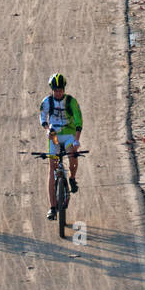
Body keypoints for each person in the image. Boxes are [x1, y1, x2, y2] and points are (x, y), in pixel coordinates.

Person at [40, 72, 83, 221]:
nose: (58, 92)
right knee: (52, 168)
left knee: (72, 153)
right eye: (56, 90)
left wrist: (77, 140)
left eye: (61, 90)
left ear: (64, 89)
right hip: (55, 136)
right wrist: (47, 130)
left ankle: (72, 178)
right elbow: (42, 118)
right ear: (52, 89)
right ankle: (52, 207)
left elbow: (78, 121)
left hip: (70, 134)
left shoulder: (71, 101)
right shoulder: (47, 101)